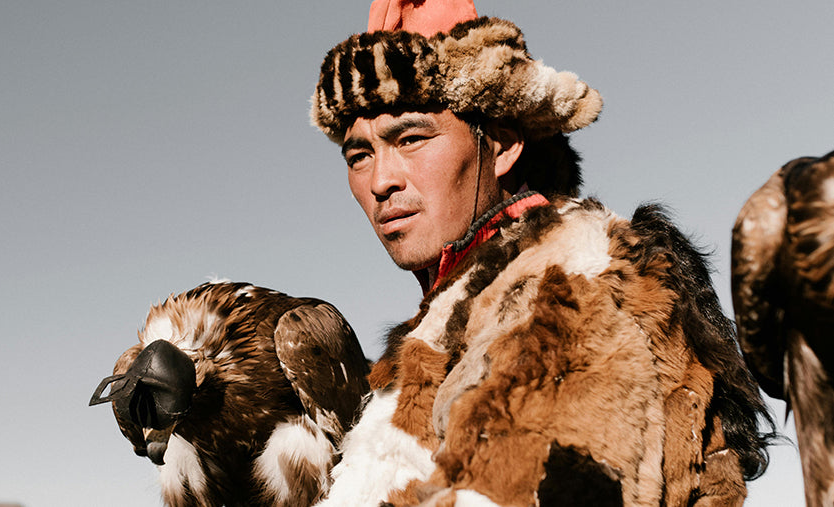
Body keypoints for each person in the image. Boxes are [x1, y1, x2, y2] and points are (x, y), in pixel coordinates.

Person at [309, 1, 773, 505]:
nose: (381, 181)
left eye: (413, 138)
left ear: (504, 147)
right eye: (359, 155)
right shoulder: (457, 317)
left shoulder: (571, 288)